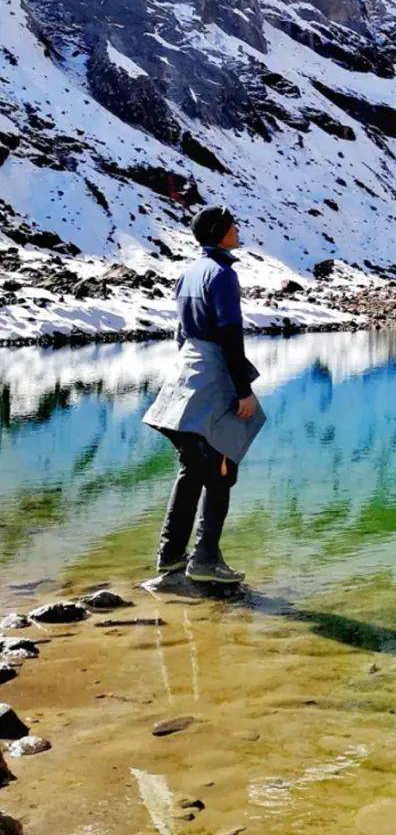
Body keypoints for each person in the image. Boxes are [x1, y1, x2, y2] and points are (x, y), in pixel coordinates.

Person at [143, 205, 266, 585]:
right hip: (213, 379)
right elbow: (230, 334)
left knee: (191, 468)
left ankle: (170, 554)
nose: (238, 227)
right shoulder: (223, 274)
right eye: (233, 224)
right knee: (222, 468)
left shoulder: (189, 273)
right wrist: (243, 391)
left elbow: (181, 335)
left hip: (185, 377)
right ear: (220, 232)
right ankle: (206, 560)